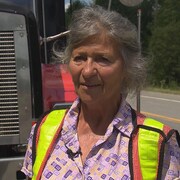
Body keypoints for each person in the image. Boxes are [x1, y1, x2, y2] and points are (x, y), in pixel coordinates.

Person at [21, 5, 180, 180]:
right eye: (79, 58)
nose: (87, 71)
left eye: (102, 59)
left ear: (127, 68)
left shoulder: (158, 142)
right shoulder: (44, 128)